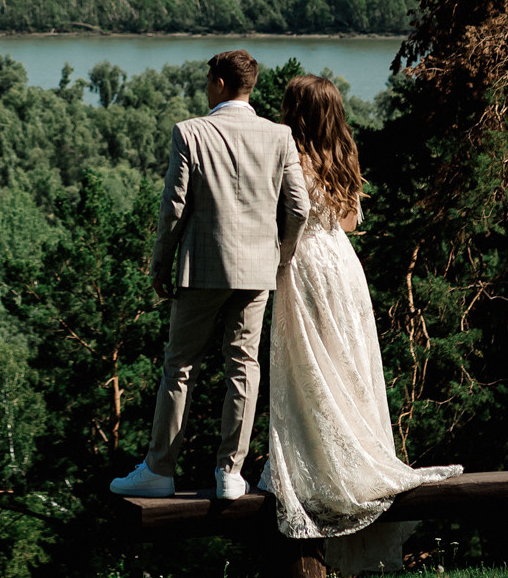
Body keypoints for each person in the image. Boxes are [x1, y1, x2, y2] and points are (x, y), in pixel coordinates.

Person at [260, 74, 462, 538]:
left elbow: (287, 216)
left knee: (309, 368)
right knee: (344, 363)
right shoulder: (342, 154)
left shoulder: (289, 155)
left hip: (304, 263)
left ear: (296, 111)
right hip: (343, 266)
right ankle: (347, 462)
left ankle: (318, 470)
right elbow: (349, 223)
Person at [110, 49, 310, 501]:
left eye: (208, 81)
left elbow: (173, 207)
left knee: (180, 366)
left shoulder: (191, 132)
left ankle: (160, 469)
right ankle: (230, 472)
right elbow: (298, 207)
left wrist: (160, 263)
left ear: (219, 83)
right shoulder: (279, 136)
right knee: (243, 365)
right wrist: (280, 256)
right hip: (257, 271)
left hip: (201, 268)